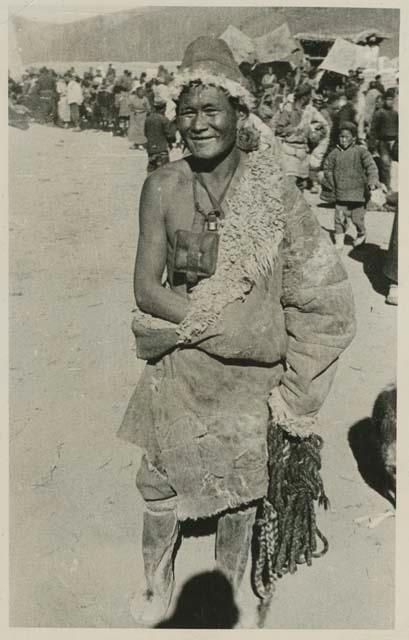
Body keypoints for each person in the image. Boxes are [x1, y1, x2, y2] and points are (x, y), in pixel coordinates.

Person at [118, 36, 356, 627]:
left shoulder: (276, 195)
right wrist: (220, 325)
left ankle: (230, 588)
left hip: (252, 378)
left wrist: (291, 381)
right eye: (187, 111)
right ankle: (156, 583)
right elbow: (148, 289)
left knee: (243, 489)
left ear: (239, 114)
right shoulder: (164, 187)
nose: (197, 125)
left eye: (211, 111)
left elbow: (320, 299)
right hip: (182, 361)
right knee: (158, 483)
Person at [323, 121, 379, 250]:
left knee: (357, 219)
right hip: (341, 193)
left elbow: (371, 167)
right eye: (341, 137)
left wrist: (372, 180)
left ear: (353, 138)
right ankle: (339, 241)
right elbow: (328, 168)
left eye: (346, 137)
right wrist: (332, 182)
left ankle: (361, 233)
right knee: (339, 218)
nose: (343, 140)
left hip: (358, 194)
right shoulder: (334, 153)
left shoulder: (361, 152)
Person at [275, 83, 329, 191]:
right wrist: (294, 130)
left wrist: (315, 130)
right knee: (290, 182)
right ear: (304, 97)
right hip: (289, 150)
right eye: (309, 96)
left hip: (303, 151)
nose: (311, 99)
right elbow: (279, 129)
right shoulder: (289, 108)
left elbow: (324, 125)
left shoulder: (310, 110)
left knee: (302, 184)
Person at [368, 88, 398, 192]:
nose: (390, 101)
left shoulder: (395, 113)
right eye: (388, 99)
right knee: (385, 164)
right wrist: (372, 146)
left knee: (396, 165)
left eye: (391, 99)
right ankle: (387, 186)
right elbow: (373, 130)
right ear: (384, 100)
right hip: (383, 142)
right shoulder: (379, 113)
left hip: (395, 142)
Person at [144, 100, 176, 171]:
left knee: (151, 172)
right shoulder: (164, 119)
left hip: (151, 150)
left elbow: (145, 133)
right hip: (162, 150)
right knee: (163, 173)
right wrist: (171, 142)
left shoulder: (148, 119)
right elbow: (170, 135)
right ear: (164, 108)